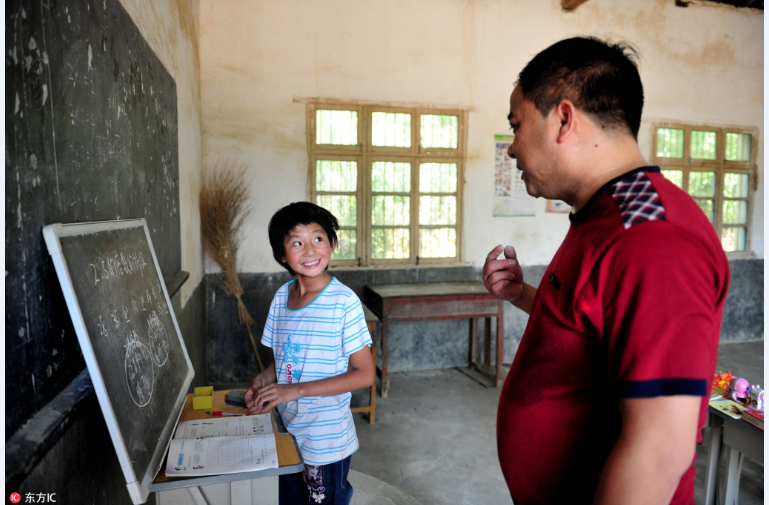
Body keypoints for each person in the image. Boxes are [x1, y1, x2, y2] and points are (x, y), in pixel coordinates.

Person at [483, 37, 729, 505]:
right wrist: (521, 294)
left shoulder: (653, 238)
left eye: (516, 126)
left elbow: (659, 448)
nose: (512, 148)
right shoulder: (607, 215)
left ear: (563, 119)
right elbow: (595, 324)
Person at [245, 201, 375, 505]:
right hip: (288, 429)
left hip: (326, 440)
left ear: (332, 244)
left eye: (318, 238)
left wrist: (296, 391)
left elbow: (365, 374)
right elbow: (285, 359)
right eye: (296, 242)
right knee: (291, 499)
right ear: (282, 255)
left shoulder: (344, 302)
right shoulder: (282, 298)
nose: (309, 250)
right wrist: (264, 381)